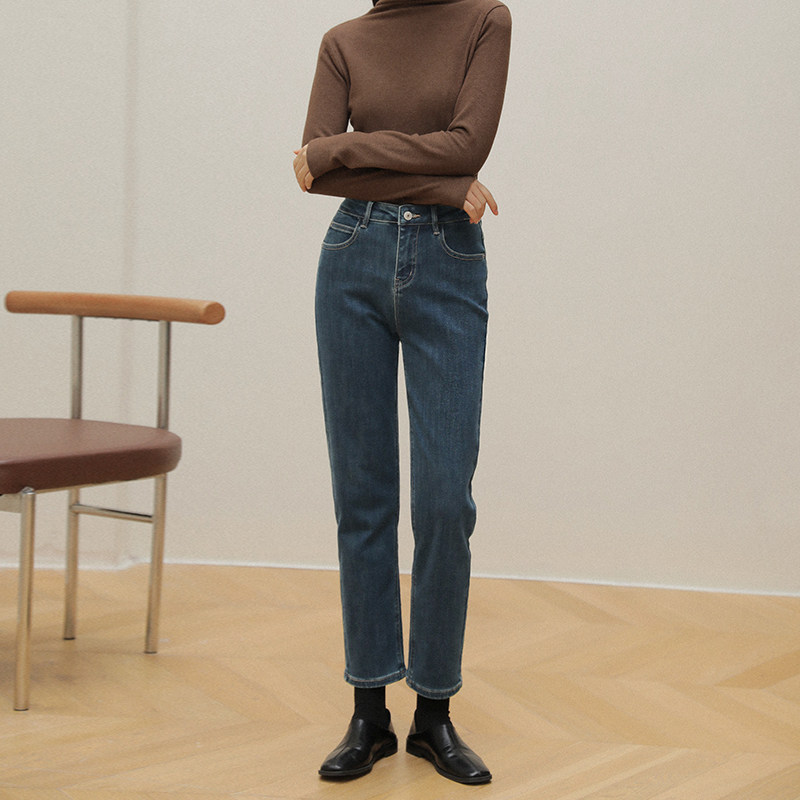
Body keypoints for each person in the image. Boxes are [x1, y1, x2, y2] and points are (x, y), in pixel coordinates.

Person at [293, 0, 511, 786]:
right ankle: (370, 713)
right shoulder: (344, 41)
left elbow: (468, 145)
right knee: (362, 495)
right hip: (350, 255)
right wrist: (444, 183)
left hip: (448, 263)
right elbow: (317, 174)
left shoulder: (484, 21)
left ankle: (434, 715)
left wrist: (349, 148)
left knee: (445, 501)